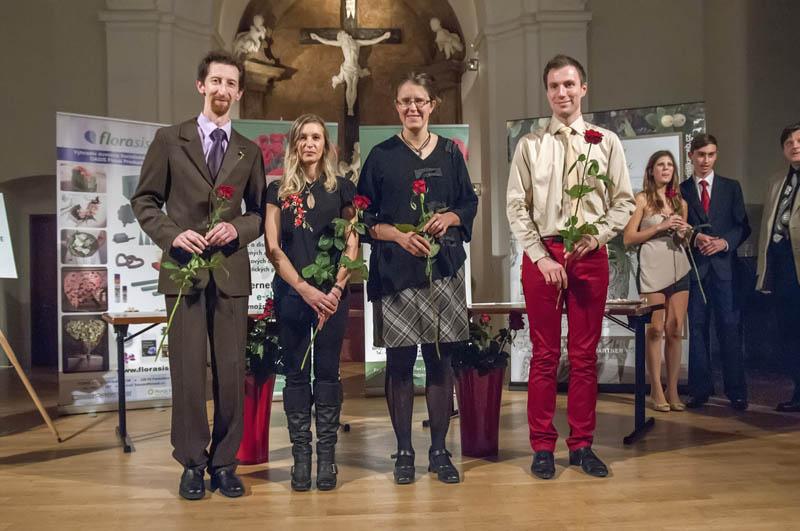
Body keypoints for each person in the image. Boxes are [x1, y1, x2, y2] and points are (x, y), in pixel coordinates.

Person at [132, 50, 266, 500]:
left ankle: (225, 463)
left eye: (231, 83)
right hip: (184, 272)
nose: (223, 89)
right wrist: (173, 236)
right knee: (188, 371)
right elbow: (144, 201)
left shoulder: (249, 150)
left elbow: (260, 211)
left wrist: (238, 229)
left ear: (239, 93)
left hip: (229, 273)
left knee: (230, 371)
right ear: (201, 85)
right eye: (216, 81)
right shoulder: (169, 140)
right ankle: (191, 463)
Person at [506, 54, 634, 480]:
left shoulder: (606, 142)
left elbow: (623, 202)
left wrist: (597, 237)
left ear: (583, 88)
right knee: (543, 355)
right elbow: (516, 206)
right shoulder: (530, 145)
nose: (562, 92)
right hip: (543, 253)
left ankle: (582, 444)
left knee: (583, 355)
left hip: (588, 253)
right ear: (547, 92)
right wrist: (540, 256)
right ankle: (542, 446)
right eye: (554, 86)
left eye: (569, 84)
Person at [357, 72, 478, 485]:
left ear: (431, 106)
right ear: (396, 107)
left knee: (441, 362)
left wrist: (451, 217)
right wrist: (396, 235)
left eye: (419, 101)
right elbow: (362, 217)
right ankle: (405, 451)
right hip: (395, 273)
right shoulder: (380, 156)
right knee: (400, 364)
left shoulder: (450, 153)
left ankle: (440, 451)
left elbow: (468, 203)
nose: (412, 107)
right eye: (405, 101)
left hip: (442, 270)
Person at [264, 114, 358, 491]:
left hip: (332, 298)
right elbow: (273, 247)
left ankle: (327, 459)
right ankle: (301, 458)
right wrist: (304, 289)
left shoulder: (343, 188)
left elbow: (352, 241)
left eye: (316, 137)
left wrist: (335, 290)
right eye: (302, 137)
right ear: (293, 144)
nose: (309, 143)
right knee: (297, 374)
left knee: (329, 374)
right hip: (293, 295)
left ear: (326, 145)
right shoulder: (277, 190)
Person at [679, 134, 750, 410]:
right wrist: (695, 237)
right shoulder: (682, 190)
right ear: (691, 156)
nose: (705, 160)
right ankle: (699, 389)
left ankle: (737, 391)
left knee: (729, 328)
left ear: (716, 155)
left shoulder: (731, 187)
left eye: (710, 154)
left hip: (725, 270)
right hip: (695, 270)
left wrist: (724, 243)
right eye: (700, 155)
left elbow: (743, 226)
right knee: (697, 329)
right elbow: (676, 226)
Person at [624, 151, 691, 412]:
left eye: (670, 165)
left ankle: (673, 389)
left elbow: (683, 239)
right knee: (655, 330)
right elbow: (629, 238)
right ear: (651, 170)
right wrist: (658, 228)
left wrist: (684, 232)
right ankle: (655, 388)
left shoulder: (680, 202)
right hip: (652, 269)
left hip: (679, 267)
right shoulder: (642, 199)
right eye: (661, 165)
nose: (666, 169)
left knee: (675, 329)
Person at [756, 122, 800, 412]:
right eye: (789, 143)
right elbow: (766, 228)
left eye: (799, 140)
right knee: (789, 332)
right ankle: (798, 391)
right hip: (783, 267)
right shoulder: (776, 181)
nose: (794, 146)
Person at [309, 30, 392, 116]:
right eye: (343, 34)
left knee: (354, 87)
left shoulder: (357, 42)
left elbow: (371, 41)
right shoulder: (342, 43)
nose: (346, 35)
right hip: (347, 68)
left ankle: (351, 107)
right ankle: (350, 108)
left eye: (345, 34)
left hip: (355, 68)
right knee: (349, 86)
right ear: (341, 38)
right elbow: (327, 42)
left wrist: (383, 36)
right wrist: (317, 37)